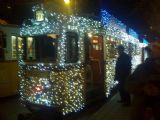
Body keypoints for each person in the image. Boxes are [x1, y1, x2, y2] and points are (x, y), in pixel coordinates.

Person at [126, 40, 160, 120]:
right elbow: (128, 85)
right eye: (151, 51)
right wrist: (143, 89)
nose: (152, 53)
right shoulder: (142, 68)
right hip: (141, 111)